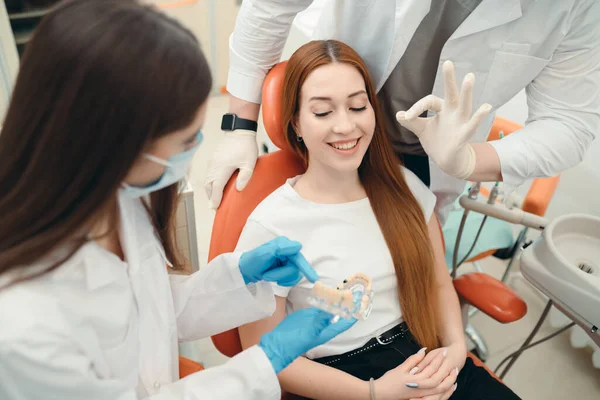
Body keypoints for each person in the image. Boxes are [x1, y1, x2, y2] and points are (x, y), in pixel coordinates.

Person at [0, 1, 355, 399]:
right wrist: (266, 361)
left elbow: (150, 309)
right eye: (187, 141)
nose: (197, 149)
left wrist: (241, 277)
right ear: (114, 145)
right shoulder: (21, 323)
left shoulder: (117, 201)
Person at [234, 40, 521, 400]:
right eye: (323, 113)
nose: (345, 126)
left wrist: (456, 351)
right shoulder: (272, 226)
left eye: (357, 106)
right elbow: (268, 358)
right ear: (296, 123)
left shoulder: (403, 187)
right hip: (339, 380)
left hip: (425, 357)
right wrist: (375, 392)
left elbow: (437, 282)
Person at [205, 0, 599, 224]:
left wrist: (467, 159)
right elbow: (271, 6)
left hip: (430, 166)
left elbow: (570, 121)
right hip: (327, 151)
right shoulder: (274, 217)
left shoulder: (574, 8)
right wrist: (240, 126)